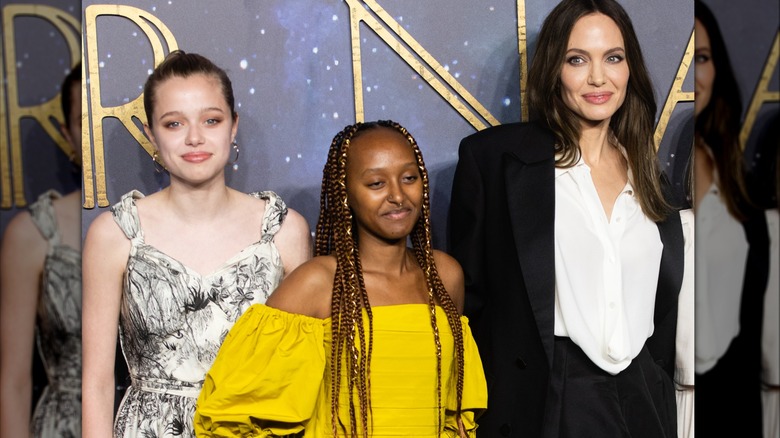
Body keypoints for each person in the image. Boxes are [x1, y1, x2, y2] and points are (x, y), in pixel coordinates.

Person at [448, 0, 694, 436]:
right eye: (577, 60)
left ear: (629, 68)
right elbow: (471, 301)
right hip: (551, 396)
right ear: (552, 71)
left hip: (643, 397)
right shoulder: (496, 161)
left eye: (613, 58)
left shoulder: (648, 174)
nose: (598, 77)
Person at [194, 120, 487, 437]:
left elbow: (453, 410)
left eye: (409, 178)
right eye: (376, 183)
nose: (398, 195)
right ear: (344, 194)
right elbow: (236, 416)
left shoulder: (444, 276)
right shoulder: (317, 283)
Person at [81, 50, 312, 437]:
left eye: (211, 120)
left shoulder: (283, 230)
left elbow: (302, 372)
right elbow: (98, 383)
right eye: (174, 124)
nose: (194, 138)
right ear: (152, 135)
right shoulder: (116, 234)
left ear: (233, 127)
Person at [692, 2, 771, 436]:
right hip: (662, 403)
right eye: (684, 56)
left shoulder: (738, 179)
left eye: (702, 58)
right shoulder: (643, 174)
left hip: (733, 401)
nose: (692, 72)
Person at [0, 63, 83, 437]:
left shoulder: (177, 225)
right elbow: (14, 381)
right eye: (85, 121)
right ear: (68, 135)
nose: (97, 136)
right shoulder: (33, 234)